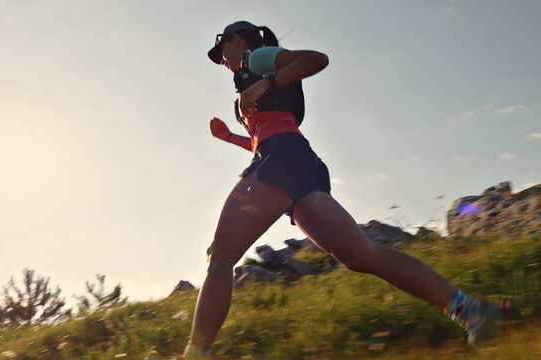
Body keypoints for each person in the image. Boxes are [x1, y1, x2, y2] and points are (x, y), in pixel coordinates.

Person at [181, 21, 514, 359]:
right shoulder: (252, 76)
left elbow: (317, 59)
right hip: (298, 164)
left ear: (236, 39)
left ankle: (196, 354)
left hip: (282, 158)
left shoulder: (259, 58)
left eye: (222, 49)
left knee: (220, 256)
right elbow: (265, 137)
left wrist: (266, 82)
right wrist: (230, 138)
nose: (221, 59)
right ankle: (473, 312)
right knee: (362, 255)